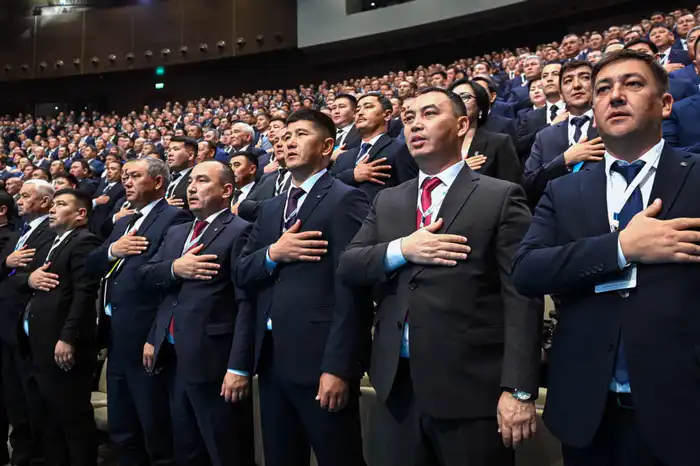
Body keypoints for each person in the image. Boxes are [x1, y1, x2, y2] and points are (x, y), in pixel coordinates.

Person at [512, 49, 700, 466]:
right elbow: (526, 271)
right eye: (603, 89)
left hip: (685, 408)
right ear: (594, 113)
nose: (615, 96)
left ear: (666, 103)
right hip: (587, 414)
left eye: (632, 84)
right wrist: (621, 248)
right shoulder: (563, 190)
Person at [337, 87, 541, 466]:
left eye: (429, 114)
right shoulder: (388, 199)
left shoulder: (500, 196)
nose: (415, 124)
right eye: (409, 117)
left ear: (462, 125)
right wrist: (403, 249)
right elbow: (349, 265)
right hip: (397, 388)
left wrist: (519, 389)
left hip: (471, 389)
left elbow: (521, 295)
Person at [234, 109, 371, 466]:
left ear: (327, 146)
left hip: (320, 360)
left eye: (300, 134)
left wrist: (339, 366)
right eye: (285, 137)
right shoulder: (270, 208)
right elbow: (241, 272)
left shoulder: (346, 198)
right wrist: (273, 254)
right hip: (271, 359)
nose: (288, 142)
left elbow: (352, 288)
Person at [137, 161, 255, 466]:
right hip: (172, 356)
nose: (191, 188)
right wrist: (175, 269)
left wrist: (239, 366)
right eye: (190, 181)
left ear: (226, 190)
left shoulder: (240, 231)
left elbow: (245, 303)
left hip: (214, 361)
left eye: (202, 181)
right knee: (186, 448)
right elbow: (147, 276)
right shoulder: (177, 232)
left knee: (224, 450)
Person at [85, 158, 191, 466]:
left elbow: (166, 280)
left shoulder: (175, 217)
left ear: (158, 182)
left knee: (155, 427)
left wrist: (155, 336)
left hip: (147, 337)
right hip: (116, 337)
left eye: (134, 176)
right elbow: (91, 264)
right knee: (123, 428)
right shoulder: (124, 222)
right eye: (124, 176)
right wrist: (112, 250)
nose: (126, 182)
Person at [24, 188, 101, 466]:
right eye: (52, 204)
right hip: (42, 342)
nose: (52, 209)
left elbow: (84, 293)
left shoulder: (84, 241)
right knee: (50, 419)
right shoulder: (53, 243)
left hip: (63, 344)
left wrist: (68, 337)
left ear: (80, 214)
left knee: (72, 419)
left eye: (60, 204)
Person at [0, 179, 56, 466]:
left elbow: (37, 275)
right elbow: (7, 266)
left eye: (25, 196)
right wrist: (6, 264)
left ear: (45, 202)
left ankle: (35, 455)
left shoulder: (50, 232)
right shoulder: (20, 232)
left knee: (31, 398)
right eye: (19, 196)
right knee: (13, 396)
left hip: (28, 327)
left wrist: (11, 273)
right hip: (6, 325)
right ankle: (21, 452)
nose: (18, 200)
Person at [522, 60, 602, 206]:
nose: (576, 85)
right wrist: (563, 160)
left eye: (585, 77)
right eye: (568, 81)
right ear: (561, 94)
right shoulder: (544, 137)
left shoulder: (611, 125)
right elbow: (528, 186)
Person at [329, 93, 418, 202]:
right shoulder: (344, 156)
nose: (360, 112)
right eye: (358, 110)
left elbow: (412, 192)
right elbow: (326, 186)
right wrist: (352, 175)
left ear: (387, 115)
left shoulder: (401, 149)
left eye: (368, 107)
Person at [450, 78, 522, 182]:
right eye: (453, 98)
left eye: (465, 97)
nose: (458, 102)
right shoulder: (437, 144)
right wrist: (458, 170)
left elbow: (512, 186)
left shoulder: (498, 143)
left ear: (480, 106)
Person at [625, 38, 699, 102]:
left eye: (642, 52)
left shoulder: (683, 86)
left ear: (657, 58)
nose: (636, 57)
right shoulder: (622, 93)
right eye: (630, 55)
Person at [89, 159, 125, 238]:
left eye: (113, 169)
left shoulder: (122, 189)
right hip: (91, 226)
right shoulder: (102, 184)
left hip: (103, 231)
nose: (109, 171)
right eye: (108, 168)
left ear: (121, 172)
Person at [166, 136, 197, 210]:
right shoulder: (167, 177)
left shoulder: (196, 178)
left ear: (190, 155)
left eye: (176, 149)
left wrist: (163, 206)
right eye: (169, 150)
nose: (170, 154)